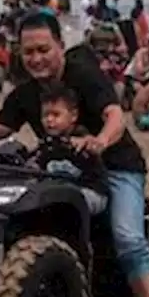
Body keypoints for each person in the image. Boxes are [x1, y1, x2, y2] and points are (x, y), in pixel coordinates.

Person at [0, 11, 149, 297]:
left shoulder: (85, 76)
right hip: (62, 172)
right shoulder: (27, 92)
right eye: (28, 52)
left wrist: (100, 141)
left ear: (60, 46)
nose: (36, 59)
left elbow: (115, 117)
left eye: (43, 49)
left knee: (128, 239)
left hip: (115, 169)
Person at [30, 85, 109, 214]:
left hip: (90, 192)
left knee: (65, 201)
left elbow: (93, 146)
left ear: (73, 116)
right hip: (59, 192)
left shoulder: (81, 138)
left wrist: (87, 144)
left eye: (56, 114)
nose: (49, 120)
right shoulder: (47, 143)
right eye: (45, 115)